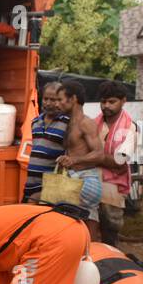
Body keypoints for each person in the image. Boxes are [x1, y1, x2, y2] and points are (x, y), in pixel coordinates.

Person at [53, 79, 104, 240]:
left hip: (86, 179)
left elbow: (99, 154)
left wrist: (73, 160)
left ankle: (93, 256)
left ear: (73, 99)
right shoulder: (70, 123)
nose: (57, 104)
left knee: (84, 226)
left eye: (60, 99)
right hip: (75, 178)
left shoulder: (85, 123)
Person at [87, 80, 136, 246]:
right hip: (90, 182)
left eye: (112, 101)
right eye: (103, 101)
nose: (106, 105)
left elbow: (120, 162)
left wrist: (92, 157)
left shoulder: (130, 127)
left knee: (110, 232)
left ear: (123, 101)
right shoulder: (94, 123)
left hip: (113, 187)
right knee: (88, 230)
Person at [23, 81, 67, 203]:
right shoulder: (35, 122)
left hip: (50, 185)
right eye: (46, 99)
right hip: (31, 183)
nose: (48, 103)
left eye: (53, 100)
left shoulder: (67, 123)